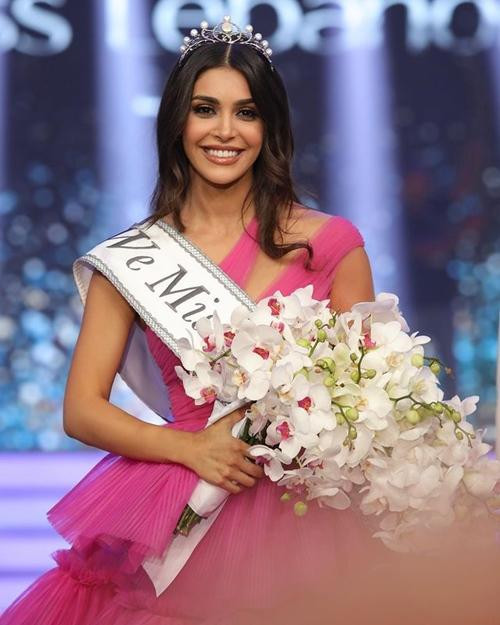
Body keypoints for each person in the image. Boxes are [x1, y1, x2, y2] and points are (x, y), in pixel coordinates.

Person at [0, 16, 380, 625]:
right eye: (206, 109)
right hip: (183, 488)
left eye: (246, 112)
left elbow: (371, 398)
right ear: (178, 121)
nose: (225, 131)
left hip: (308, 512)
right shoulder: (132, 258)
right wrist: (191, 447)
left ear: (270, 127)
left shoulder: (330, 244)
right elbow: (81, 409)